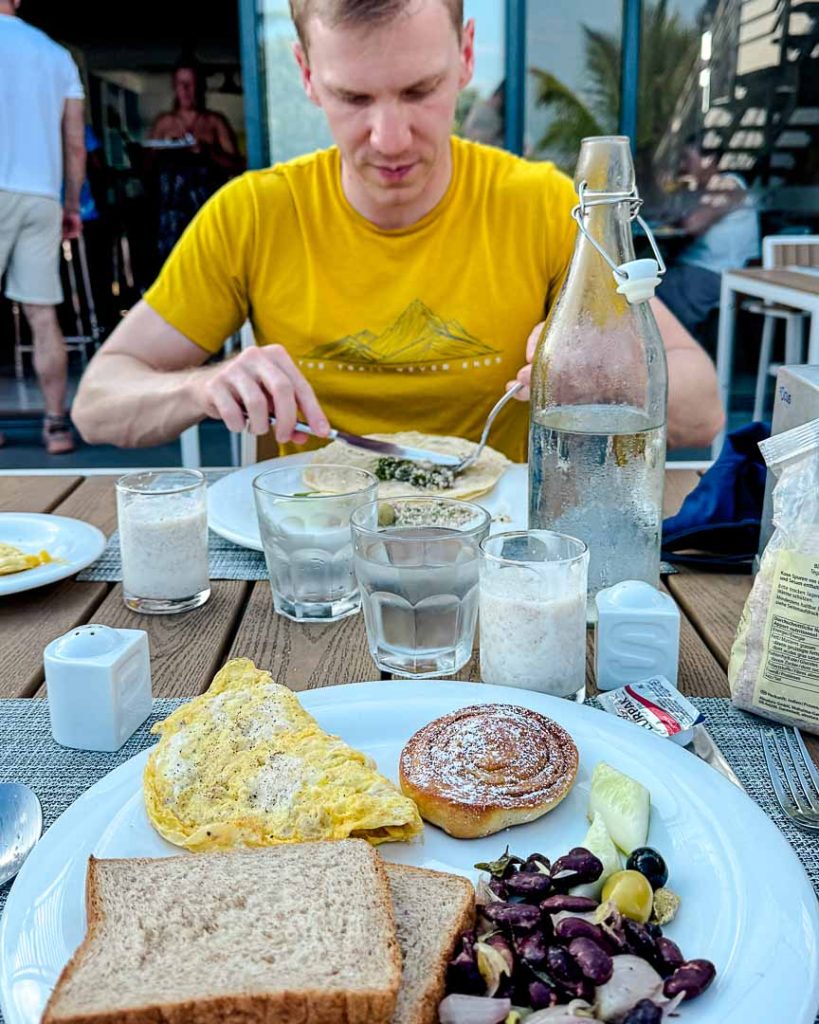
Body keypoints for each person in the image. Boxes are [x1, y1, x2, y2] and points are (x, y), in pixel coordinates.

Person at [73, 0, 724, 459]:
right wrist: (200, 384)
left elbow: (701, 410)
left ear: (464, 56)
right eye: (353, 98)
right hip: (315, 559)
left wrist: (595, 370)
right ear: (307, 76)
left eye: (419, 91)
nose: (389, 139)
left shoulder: (543, 205)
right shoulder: (253, 213)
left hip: (496, 557)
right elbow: (98, 404)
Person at [0, 0, 86, 454]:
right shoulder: (55, 54)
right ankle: (56, 426)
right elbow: (75, 144)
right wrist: (71, 204)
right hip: (41, 195)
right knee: (42, 313)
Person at [658, 137, 760, 341]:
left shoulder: (728, 184)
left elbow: (693, 225)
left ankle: (678, 351)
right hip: (698, 268)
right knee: (648, 284)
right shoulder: (707, 189)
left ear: (709, 159)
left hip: (719, 272)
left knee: (649, 295)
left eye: (687, 158)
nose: (682, 166)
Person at [148, 56, 245, 265]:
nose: (185, 90)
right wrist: (160, 151)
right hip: (172, 218)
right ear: (174, 87)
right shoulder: (164, 124)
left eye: (190, 84)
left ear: (200, 87)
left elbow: (238, 166)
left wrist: (208, 151)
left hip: (206, 212)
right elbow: (146, 168)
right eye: (181, 84)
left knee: (211, 265)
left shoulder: (214, 122)